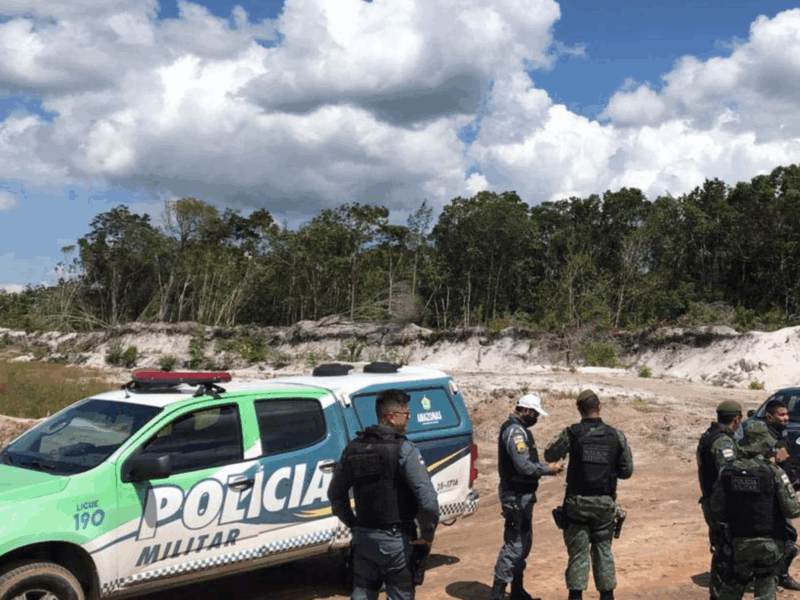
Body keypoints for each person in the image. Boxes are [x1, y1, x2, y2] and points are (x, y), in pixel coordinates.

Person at [327, 389, 439, 600]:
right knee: (400, 593)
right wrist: (427, 534)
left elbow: (335, 494)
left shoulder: (353, 448)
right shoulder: (403, 449)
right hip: (396, 541)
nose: (409, 418)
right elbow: (429, 501)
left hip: (364, 539)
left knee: (362, 592)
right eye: (406, 414)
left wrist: (354, 524)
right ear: (391, 417)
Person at [543, 389, 634, 600]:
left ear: (579, 410)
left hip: (577, 504)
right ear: (599, 406)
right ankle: (607, 596)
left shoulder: (572, 433)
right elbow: (627, 471)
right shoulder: (616, 435)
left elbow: (549, 454)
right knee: (604, 552)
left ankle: (575, 596)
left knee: (578, 556)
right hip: (604, 505)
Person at [489, 394, 564, 600]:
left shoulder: (519, 429)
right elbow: (523, 466)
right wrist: (548, 468)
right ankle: (497, 593)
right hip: (515, 495)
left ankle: (517, 590)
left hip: (522, 495)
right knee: (514, 544)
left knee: (524, 541)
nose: (536, 418)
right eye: (536, 414)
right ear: (528, 411)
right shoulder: (515, 432)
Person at [709, 433, 800, 600]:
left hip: (738, 543)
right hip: (768, 543)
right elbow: (792, 510)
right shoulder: (773, 472)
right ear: (765, 448)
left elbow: (715, 508)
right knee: (765, 589)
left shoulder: (726, 472)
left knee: (732, 587)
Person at [744, 399, 800, 591]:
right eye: (781, 415)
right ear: (770, 417)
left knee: (787, 537)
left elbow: (786, 460)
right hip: (766, 495)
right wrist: (775, 458)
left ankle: (779, 575)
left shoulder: (780, 432)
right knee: (779, 537)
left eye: (786, 415)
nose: (785, 418)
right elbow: (757, 461)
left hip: (781, 490)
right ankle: (767, 577)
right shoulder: (762, 434)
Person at [696, 400, 744, 600]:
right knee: (725, 553)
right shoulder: (723, 441)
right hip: (721, 506)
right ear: (736, 419)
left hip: (712, 502)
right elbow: (729, 475)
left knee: (722, 549)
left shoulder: (708, 435)